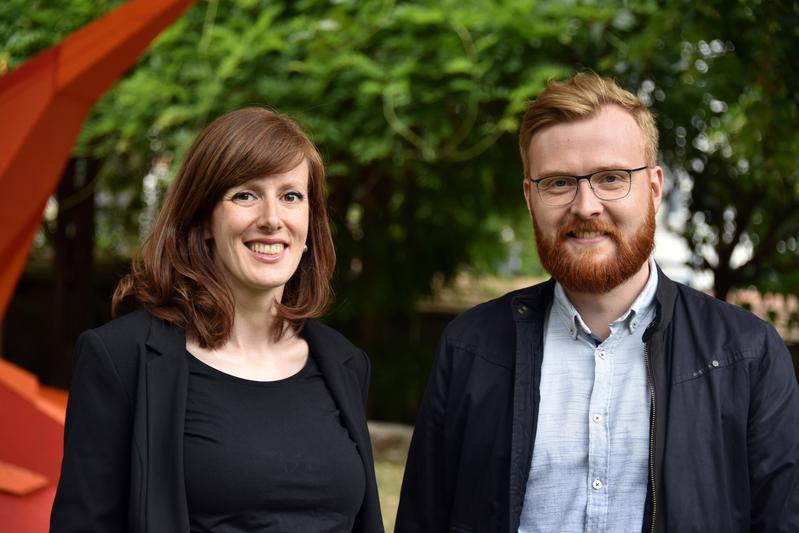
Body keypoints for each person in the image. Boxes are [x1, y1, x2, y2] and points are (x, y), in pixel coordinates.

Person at [395, 72, 799, 532]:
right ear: (530, 198)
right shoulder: (471, 348)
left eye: (611, 178)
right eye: (559, 183)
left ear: (653, 188)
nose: (585, 205)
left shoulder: (747, 355)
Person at [51, 108, 384, 533]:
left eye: (291, 196)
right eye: (245, 194)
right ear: (203, 219)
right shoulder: (121, 359)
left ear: (310, 225)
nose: (272, 219)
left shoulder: (344, 363)